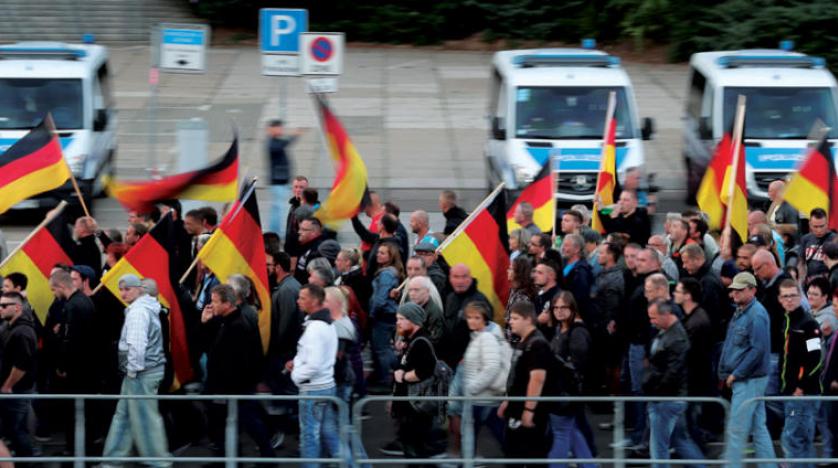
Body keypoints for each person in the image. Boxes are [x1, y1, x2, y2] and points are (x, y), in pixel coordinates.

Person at [102, 274, 171, 467]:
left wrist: (132, 371)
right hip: (143, 371)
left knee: (143, 419)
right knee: (125, 416)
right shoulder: (146, 308)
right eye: (121, 289)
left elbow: (137, 344)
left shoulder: (138, 312)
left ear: (138, 289)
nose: (123, 293)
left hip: (140, 373)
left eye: (127, 289)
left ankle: (158, 462)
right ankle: (112, 460)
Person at [202, 285, 269, 458]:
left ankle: (258, 456)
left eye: (215, 301)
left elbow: (237, 362)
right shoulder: (223, 320)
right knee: (239, 423)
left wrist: (223, 391)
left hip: (231, 388)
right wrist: (205, 322)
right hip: (228, 387)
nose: (211, 305)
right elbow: (207, 344)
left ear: (227, 304)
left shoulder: (238, 326)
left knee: (241, 423)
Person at [719, 272, 776, 466]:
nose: (734, 294)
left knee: (737, 429)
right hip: (751, 378)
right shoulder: (743, 311)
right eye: (733, 290)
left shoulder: (756, 314)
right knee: (758, 427)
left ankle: (732, 465)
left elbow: (757, 350)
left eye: (739, 290)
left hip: (749, 379)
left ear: (753, 290)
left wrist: (736, 373)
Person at [643, 299, 706, 467]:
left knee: (659, 447)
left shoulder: (676, 338)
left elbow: (672, 372)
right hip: (670, 398)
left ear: (666, 315)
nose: (652, 322)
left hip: (666, 400)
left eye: (654, 318)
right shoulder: (668, 332)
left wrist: (653, 390)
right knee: (680, 441)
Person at [289, 284, 343, 467]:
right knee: (330, 433)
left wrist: (296, 375)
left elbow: (314, 363)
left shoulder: (314, 328)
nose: (298, 301)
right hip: (326, 386)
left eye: (302, 298)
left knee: (310, 436)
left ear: (314, 301)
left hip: (313, 389)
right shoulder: (327, 325)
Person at [499, 301, 552, 465]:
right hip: (516, 409)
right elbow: (517, 377)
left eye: (515, 318)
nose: (510, 322)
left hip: (527, 413)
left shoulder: (537, 344)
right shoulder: (525, 342)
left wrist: (529, 410)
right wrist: (508, 401)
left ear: (528, 319)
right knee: (512, 454)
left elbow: (537, 379)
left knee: (530, 457)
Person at [547, 292, 595, 467]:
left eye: (563, 308)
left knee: (561, 432)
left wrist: (553, 363)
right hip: (562, 389)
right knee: (571, 431)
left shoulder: (578, 332)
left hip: (568, 391)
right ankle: (590, 465)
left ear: (572, 308)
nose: (559, 311)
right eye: (556, 308)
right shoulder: (560, 329)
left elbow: (578, 364)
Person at [777, 278, 822, 464]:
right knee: (800, 441)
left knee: (793, 439)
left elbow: (816, 359)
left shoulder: (809, 325)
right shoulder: (787, 322)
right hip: (791, 391)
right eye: (785, 296)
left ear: (800, 297)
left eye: (793, 296)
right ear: (779, 299)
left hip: (803, 394)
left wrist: (800, 387)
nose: (789, 300)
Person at [460, 301, 509, 454]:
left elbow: (492, 367)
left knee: (499, 438)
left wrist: (472, 387)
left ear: (485, 319)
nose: (472, 321)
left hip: (483, 400)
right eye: (469, 317)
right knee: (470, 438)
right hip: (479, 399)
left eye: (477, 317)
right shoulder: (477, 337)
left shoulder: (487, 338)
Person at [673, 278, 714, 446]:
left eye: (678, 291)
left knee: (691, 419)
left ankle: (696, 452)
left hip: (694, 378)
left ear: (687, 296)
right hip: (695, 377)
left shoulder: (696, 321)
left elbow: (691, 353)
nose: (674, 294)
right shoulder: (694, 317)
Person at [0, 291, 37, 459]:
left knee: (16, 430)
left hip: (16, 390)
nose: (0, 309)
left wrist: (7, 386)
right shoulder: (9, 327)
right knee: (14, 429)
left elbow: (21, 365)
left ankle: (26, 461)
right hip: (12, 389)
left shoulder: (22, 331)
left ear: (17, 307)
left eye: (4, 306)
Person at [368, 243, 403, 388]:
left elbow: (381, 298)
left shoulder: (387, 274)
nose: (378, 255)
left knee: (382, 349)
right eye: (378, 252)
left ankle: (387, 379)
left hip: (383, 315)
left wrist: (372, 314)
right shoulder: (388, 272)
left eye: (383, 253)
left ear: (391, 256)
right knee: (383, 349)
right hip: (387, 314)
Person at [266, 119, 303, 236]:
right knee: (280, 208)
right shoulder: (272, 142)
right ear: (271, 129)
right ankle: (278, 232)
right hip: (278, 181)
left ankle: (274, 231)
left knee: (277, 208)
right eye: (278, 128)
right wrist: (294, 136)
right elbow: (283, 144)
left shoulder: (275, 141)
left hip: (281, 180)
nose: (281, 130)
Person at [799, 208, 837, 283]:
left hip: (828, 282)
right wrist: (801, 280)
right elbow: (801, 262)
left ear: (827, 223)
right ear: (810, 224)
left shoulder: (835, 239)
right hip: (809, 283)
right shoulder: (805, 239)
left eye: (822, 226)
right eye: (815, 226)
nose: (819, 230)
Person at [406, 276, 445, 346]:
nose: (412, 293)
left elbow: (434, 340)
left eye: (416, 290)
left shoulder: (434, 312)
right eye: (410, 290)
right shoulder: (412, 307)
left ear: (427, 291)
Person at [295, 217, 326, 284]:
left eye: (303, 229)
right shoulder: (305, 245)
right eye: (299, 229)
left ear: (314, 232)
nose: (299, 232)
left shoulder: (320, 249)